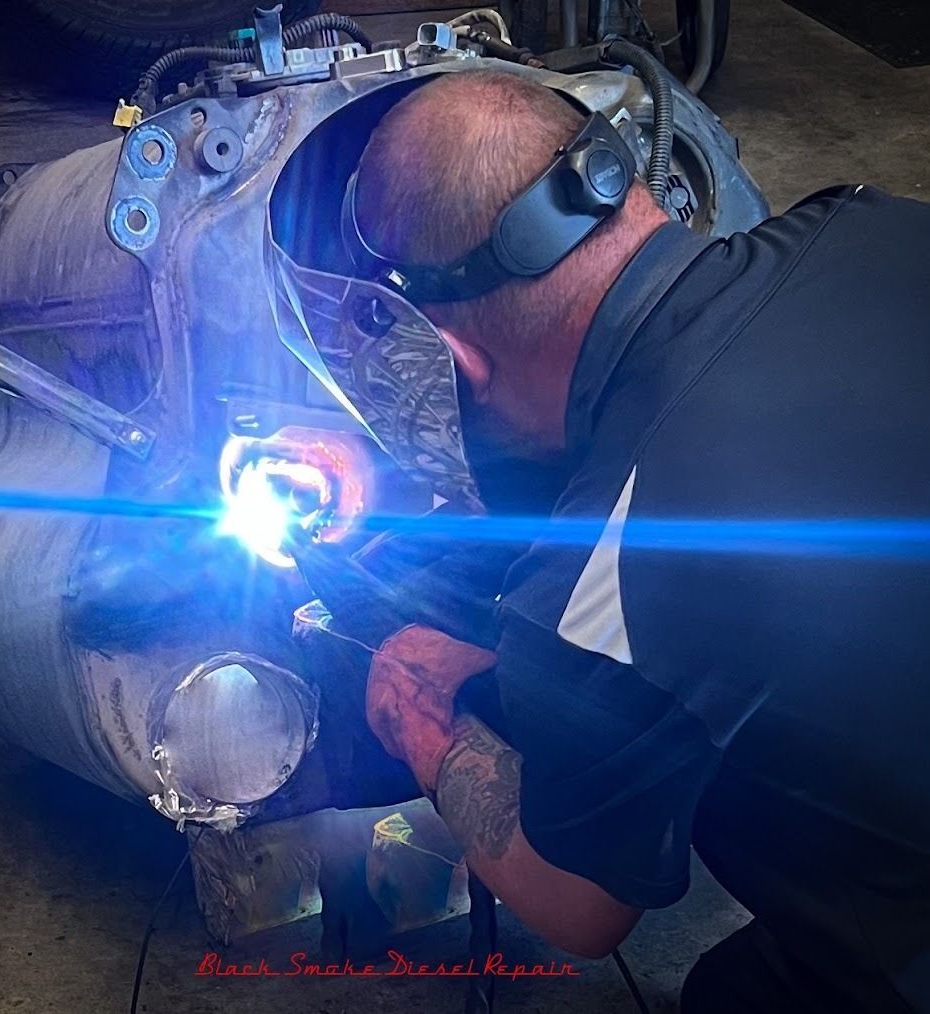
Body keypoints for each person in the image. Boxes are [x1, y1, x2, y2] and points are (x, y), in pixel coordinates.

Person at [273, 69, 930, 1012]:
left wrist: (416, 713)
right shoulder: (859, 220)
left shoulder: (611, 566)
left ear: (453, 362)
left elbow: (581, 906)